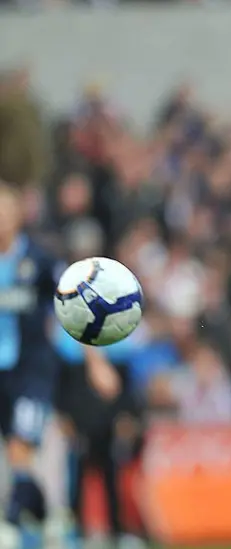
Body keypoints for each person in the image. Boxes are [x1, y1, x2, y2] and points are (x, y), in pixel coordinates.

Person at [0, 183, 62, 549]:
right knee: (15, 452)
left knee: (22, 445)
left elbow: (75, 308)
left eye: (5, 210)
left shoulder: (38, 260)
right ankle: (42, 513)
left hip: (30, 372)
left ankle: (9, 523)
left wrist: (95, 359)